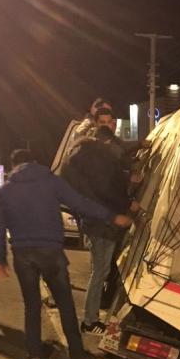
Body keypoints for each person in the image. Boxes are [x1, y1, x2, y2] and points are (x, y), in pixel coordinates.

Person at [0, 149, 132, 359]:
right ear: (34, 162)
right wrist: (112, 216)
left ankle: (34, 357)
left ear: (13, 165)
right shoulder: (50, 181)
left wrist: (0, 260)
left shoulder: (6, 190)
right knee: (65, 302)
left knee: (31, 306)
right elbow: (80, 203)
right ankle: (76, 353)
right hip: (52, 251)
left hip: (23, 254)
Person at [61, 126, 138, 334]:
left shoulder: (77, 157)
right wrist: (126, 205)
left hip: (91, 221)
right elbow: (105, 189)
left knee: (99, 271)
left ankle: (91, 317)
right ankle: (89, 321)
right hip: (103, 223)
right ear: (105, 141)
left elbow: (92, 190)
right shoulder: (96, 158)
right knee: (100, 273)